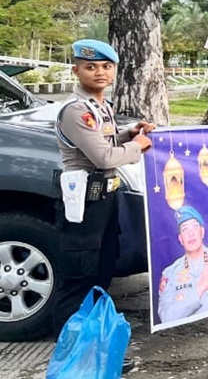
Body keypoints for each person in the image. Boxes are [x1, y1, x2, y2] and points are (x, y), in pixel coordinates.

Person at [53, 40, 155, 339]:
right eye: (91, 67)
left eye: (106, 67)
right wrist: (137, 146)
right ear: (77, 70)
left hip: (105, 200)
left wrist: (129, 132)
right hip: (84, 203)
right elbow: (104, 157)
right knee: (79, 278)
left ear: (114, 71)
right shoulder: (76, 111)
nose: (99, 72)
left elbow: (106, 143)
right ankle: (72, 350)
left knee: (101, 273)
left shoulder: (100, 107)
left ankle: (93, 346)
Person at [157, 205, 208, 323]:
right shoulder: (170, 273)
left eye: (195, 226)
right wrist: (201, 286)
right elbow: (166, 318)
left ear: (202, 232)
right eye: (185, 229)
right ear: (180, 239)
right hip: (184, 337)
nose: (191, 233)